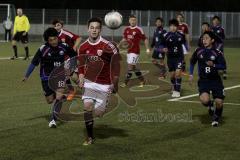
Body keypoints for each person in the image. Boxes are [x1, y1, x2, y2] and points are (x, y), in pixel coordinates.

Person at [22, 27, 77, 128]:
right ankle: (62, 98)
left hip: (60, 76)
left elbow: (74, 56)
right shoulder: (43, 49)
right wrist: (26, 75)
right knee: (50, 100)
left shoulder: (64, 46)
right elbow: (34, 63)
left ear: (57, 37)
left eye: (55, 39)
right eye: (51, 40)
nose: (54, 42)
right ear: (47, 40)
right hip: (46, 77)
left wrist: (71, 68)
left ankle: (53, 120)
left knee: (59, 96)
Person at [78, 17, 120, 145]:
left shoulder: (108, 46)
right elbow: (80, 66)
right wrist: (80, 78)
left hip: (105, 84)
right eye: (92, 28)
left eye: (97, 28)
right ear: (88, 29)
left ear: (100, 29)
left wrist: (115, 83)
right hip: (90, 81)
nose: (94, 30)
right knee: (87, 106)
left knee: (99, 113)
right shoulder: (83, 47)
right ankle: (90, 137)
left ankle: (102, 105)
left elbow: (116, 65)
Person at [189, 31, 226, 127]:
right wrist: (191, 74)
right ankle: (210, 105)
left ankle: (216, 118)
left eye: (206, 38)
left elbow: (223, 66)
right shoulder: (198, 51)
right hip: (204, 81)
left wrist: (213, 64)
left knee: (219, 102)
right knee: (204, 101)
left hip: (215, 81)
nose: (204, 40)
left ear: (212, 40)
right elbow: (192, 62)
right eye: (203, 38)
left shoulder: (217, 53)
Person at [52, 19, 82, 100]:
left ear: (61, 26)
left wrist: (75, 46)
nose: (56, 27)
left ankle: (72, 90)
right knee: (72, 76)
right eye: (55, 26)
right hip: (62, 58)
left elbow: (79, 38)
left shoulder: (65, 33)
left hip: (71, 56)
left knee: (68, 73)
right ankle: (79, 87)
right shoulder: (53, 36)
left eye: (58, 25)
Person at [120, 15, 150, 88]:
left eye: (134, 20)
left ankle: (125, 82)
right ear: (129, 21)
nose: (133, 21)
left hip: (135, 51)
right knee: (134, 68)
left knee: (130, 67)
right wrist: (119, 46)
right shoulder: (126, 29)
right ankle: (142, 80)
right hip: (129, 51)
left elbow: (145, 39)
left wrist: (147, 49)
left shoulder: (139, 29)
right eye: (131, 20)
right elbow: (124, 39)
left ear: (136, 21)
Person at [163, 19, 186, 98]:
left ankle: (177, 91)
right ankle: (174, 86)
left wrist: (186, 51)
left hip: (179, 57)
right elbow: (161, 45)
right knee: (172, 75)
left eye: (174, 26)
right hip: (170, 58)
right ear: (169, 27)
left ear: (177, 27)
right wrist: (163, 48)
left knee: (178, 73)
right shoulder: (166, 35)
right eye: (171, 26)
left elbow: (184, 43)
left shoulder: (181, 35)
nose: (173, 28)